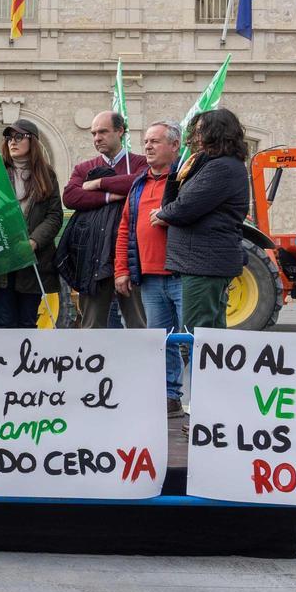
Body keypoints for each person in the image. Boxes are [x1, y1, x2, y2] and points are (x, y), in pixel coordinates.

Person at [155, 108, 249, 331]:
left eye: (201, 131)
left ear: (217, 133)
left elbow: (182, 209)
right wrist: (176, 172)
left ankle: (196, 368)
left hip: (204, 263)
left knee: (196, 335)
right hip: (203, 262)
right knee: (210, 334)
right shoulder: (210, 164)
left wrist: (162, 214)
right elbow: (174, 203)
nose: (196, 137)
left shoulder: (221, 168)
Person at [115, 121, 184, 416]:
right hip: (151, 278)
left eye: (156, 141)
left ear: (175, 146)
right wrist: (122, 269)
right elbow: (125, 229)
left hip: (183, 275)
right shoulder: (139, 184)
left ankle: (208, 401)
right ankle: (170, 397)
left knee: (192, 341)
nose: (148, 147)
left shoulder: (185, 180)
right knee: (162, 341)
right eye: (146, 141)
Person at [59, 111, 146, 328]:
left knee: (140, 327)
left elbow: (138, 182)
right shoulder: (83, 168)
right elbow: (71, 196)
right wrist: (109, 196)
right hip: (94, 259)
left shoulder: (139, 164)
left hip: (131, 258)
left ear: (120, 131)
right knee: (92, 328)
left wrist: (98, 184)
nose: (97, 137)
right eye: (94, 133)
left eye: (103, 132)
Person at [0, 120, 63, 328]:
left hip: (33, 261)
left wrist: (34, 241)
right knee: (5, 322)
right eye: (9, 138)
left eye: (19, 137)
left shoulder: (47, 174)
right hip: (2, 263)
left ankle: (26, 361)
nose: (12, 142)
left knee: (28, 322)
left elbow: (54, 216)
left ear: (33, 141)